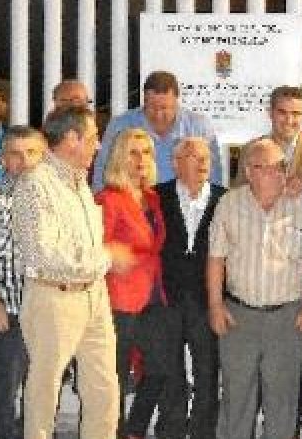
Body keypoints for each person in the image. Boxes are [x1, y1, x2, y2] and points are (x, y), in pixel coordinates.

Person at [12, 105, 125, 439]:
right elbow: (43, 253)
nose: (99, 146)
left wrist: (97, 267)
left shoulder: (79, 183)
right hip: (53, 296)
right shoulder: (36, 184)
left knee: (105, 388)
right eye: (92, 138)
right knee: (45, 393)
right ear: (72, 139)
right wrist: (104, 258)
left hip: (93, 294)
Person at [207, 138, 302, 439]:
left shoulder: (300, 204)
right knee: (236, 397)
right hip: (238, 316)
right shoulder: (229, 203)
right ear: (249, 171)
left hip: (286, 318)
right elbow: (216, 258)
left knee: (283, 400)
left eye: (280, 167)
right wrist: (216, 306)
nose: (275, 174)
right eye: (265, 168)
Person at [97, 129, 185, 439]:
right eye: (133, 152)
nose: (140, 160)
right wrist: (110, 251)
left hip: (154, 294)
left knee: (161, 368)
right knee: (116, 378)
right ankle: (117, 432)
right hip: (120, 297)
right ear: (120, 157)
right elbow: (94, 244)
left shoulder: (151, 198)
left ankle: (134, 429)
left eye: (146, 152)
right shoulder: (108, 198)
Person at [0, 125, 48, 439]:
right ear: (2, 160)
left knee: (39, 391)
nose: (25, 160)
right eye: (16, 154)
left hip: (45, 309)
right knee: (2, 394)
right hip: (8, 311)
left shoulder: (50, 199)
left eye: (32, 153)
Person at [156, 137, 227, 439]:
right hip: (167, 299)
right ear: (175, 163)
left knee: (208, 372)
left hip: (206, 299)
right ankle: (171, 430)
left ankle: (203, 432)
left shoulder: (225, 199)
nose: (202, 162)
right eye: (192, 156)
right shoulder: (157, 197)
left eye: (206, 157)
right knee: (170, 373)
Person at [94, 71, 223, 189]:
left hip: (185, 208)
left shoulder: (199, 127)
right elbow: (102, 173)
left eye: (164, 108)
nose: (158, 114)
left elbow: (214, 177)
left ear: (177, 102)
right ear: (144, 101)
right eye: (152, 107)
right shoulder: (120, 126)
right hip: (134, 206)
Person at [234, 85, 302, 192]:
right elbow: (238, 195)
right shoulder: (250, 150)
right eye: (282, 112)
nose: (289, 120)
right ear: (270, 113)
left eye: (296, 113)